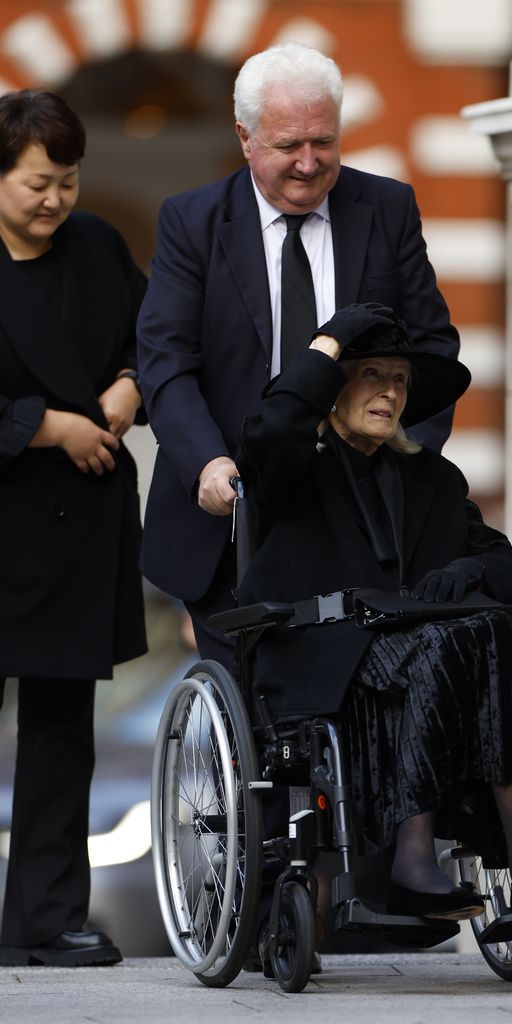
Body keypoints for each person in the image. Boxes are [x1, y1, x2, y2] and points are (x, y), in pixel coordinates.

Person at [235, 302, 512, 926]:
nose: (390, 391)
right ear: (334, 389)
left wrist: (469, 570)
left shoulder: (432, 476)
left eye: (400, 379)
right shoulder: (295, 468)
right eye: (371, 374)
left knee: (489, 628)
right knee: (459, 637)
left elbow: (509, 569)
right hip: (329, 654)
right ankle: (413, 858)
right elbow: (271, 428)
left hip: (433, 660)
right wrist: (330, 342)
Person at [136, 42, 461, 667]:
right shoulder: (192, 221)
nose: (310, 164)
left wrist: (405, 458)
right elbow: (166, 362)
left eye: (324, 142)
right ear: (245, 137)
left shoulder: (387, 209)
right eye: (289, 146)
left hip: (364, 517)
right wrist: (205, 463)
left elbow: (433, 349)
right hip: (231, 512)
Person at [0, 89, 147, 967]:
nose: (55, 199)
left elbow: (155, 335)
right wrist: (44, 426)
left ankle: (46, 920)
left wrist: (129, 387)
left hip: (76, 530)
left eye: (68, 180)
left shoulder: (95, 246)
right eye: (36, 184)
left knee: (61, 736)